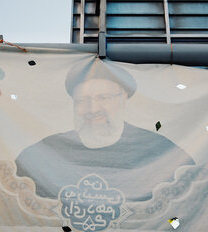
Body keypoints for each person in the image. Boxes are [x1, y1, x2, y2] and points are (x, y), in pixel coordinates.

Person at [15, 59, 194, 202]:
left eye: (103, 98)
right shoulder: (44, 152)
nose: (93, 109)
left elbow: (185, 210)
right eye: (83, 101)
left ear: (123, 99)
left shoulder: (159, 150)